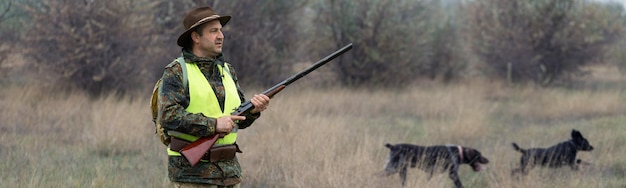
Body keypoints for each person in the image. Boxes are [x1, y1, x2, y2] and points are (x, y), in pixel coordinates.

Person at [157, 6, 270, 188]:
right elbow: (168, 116)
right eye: (213, 31)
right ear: (196, 37)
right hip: (192, 178)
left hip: (230, 175)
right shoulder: (177, 71)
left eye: (221, 30)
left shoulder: (227, 70)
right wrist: (214, 124)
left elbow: (238, 119)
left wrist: (253, 110)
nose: (221, 36)